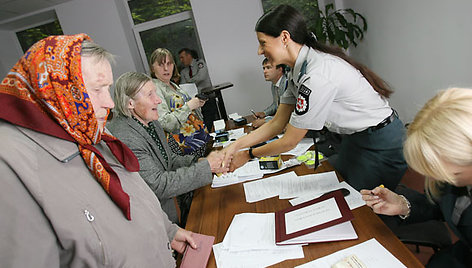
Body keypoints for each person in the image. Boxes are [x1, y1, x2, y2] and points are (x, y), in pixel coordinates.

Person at [0, 34, 197, 267]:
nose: (110, 103)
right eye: (97, 90)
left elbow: (134, 199)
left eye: (108, 88)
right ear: (57, 91)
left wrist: (167, 230)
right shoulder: (11, 168)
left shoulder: (92, 133)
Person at [223, 4, 407, 191]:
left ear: (285, 37)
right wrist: (236, 146)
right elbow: (277, 123)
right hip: (355, 139)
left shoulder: (316, 74)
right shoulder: (297, 71)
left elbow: (289, 141)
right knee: (340, 188)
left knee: (364, 205)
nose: (259, 51)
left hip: (380, 142)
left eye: (263, 43)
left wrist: (249, 155)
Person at [361, 88, 472, 267]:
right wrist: (402, 205)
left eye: (451, 174)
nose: (437, 178)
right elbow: (442, 203)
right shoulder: (456, 176)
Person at [108, 71, 226, 226]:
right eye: (150, 95)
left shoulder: (151, 121)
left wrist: (199, 161)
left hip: (172, 207)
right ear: (130, 103)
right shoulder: (125, 136)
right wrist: (205, 167)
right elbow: (158, 185)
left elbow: (170, 159)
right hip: (154, 219)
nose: (158, 100)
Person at [150, 48, 210, 157]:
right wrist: (189, 106)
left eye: (169, 63)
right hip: (186, 148)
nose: (166, 68)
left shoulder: (172, 84)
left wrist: (197, 104)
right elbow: (164, 122)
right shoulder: (155, 88)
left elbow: (185, 110)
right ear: (152, 68)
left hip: (198, 141)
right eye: (161, 65)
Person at [179, 48, 219, 130]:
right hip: (195, 102)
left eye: (182, 57)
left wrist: (190, 81)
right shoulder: (183, 72)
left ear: (189, 55)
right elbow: (183, 87)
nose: (181, 60)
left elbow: (201, 77)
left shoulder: (199, 63)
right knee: (203, 124)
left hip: (207, 98)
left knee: (214, 123)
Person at [252, 57, 288, 128]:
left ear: (280, 69)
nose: (265, 71)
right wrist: (264, 113)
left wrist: (266, 120)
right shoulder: (274, 85)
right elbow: (276, 104)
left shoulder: (287, 84)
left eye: (268, 68)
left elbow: (287, 113)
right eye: (264, 68)